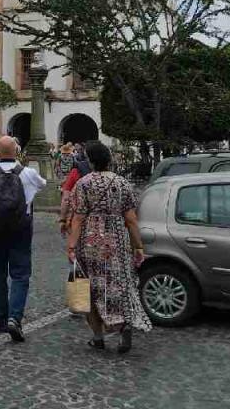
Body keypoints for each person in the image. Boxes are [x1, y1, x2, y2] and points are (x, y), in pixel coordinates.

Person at [67, 141, 151, 353]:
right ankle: (124, 330)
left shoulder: (83, 184)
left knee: (86, 288)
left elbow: (77, 218)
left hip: (89, 243)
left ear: (91, 161)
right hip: (116, 243)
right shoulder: (123, 184)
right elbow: (131, 219)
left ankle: (97, 336)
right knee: (118, 286)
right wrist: (138, 246)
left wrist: (71, 246)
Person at [0, 135, 47, 342]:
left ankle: (0, 318)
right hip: (21, 229)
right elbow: (43, 184)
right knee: (20, 274)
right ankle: (14, 318)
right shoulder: (28, 173)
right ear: (17, 152)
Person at [58, 147, 93, 236]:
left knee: (76, 244)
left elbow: (66, 198)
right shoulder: (114, 178)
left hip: (79, 217)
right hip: (104, 223)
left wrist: (63, 219)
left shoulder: (76, 171)